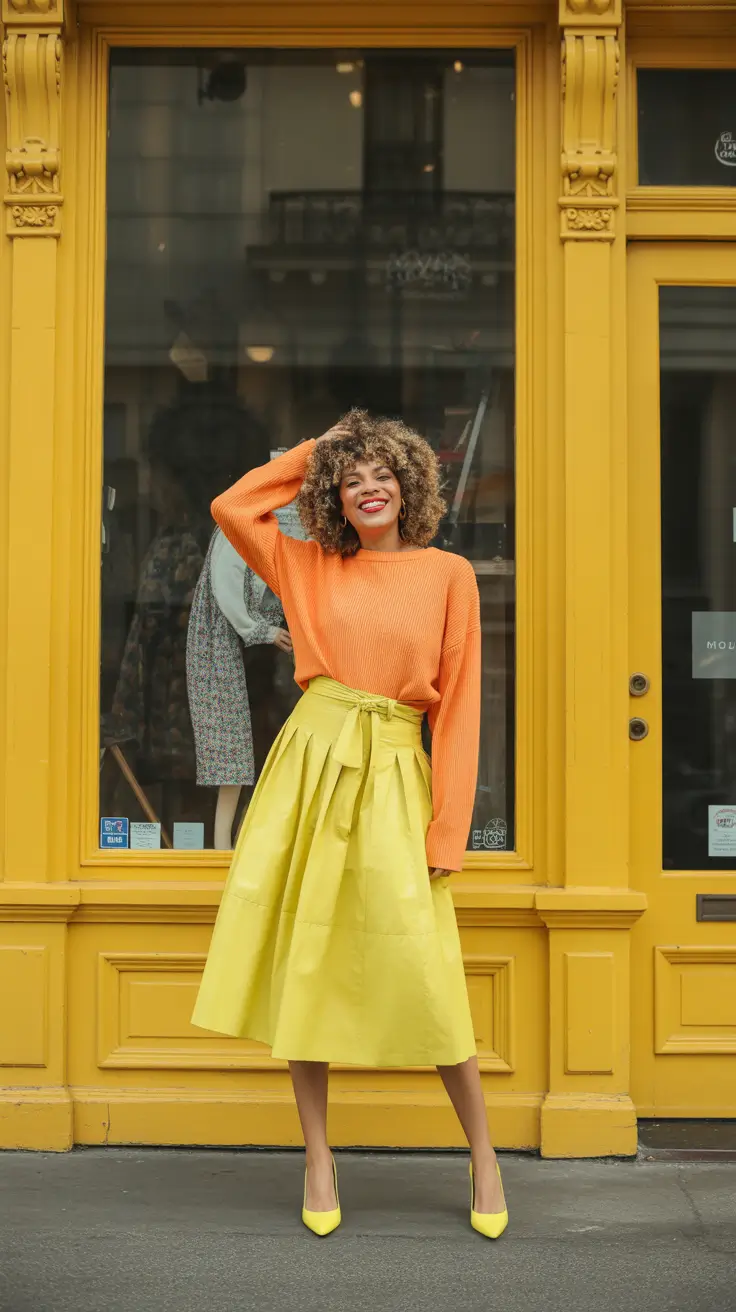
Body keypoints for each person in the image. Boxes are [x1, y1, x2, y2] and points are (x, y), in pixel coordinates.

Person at [191, 409, 508, 1240]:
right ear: (335, 495)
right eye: (352, 478)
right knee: (310, 960)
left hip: (397, 772)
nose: (369, 488)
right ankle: (319, 1155)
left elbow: (463, 707)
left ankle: (483, 1153)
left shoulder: (450, 575)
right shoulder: (306, 563)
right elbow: (232, 507)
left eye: (383, 474)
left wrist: (449, 831)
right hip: (311, 765)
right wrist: (317, 449)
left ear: (410, 486)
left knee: (428, 967)